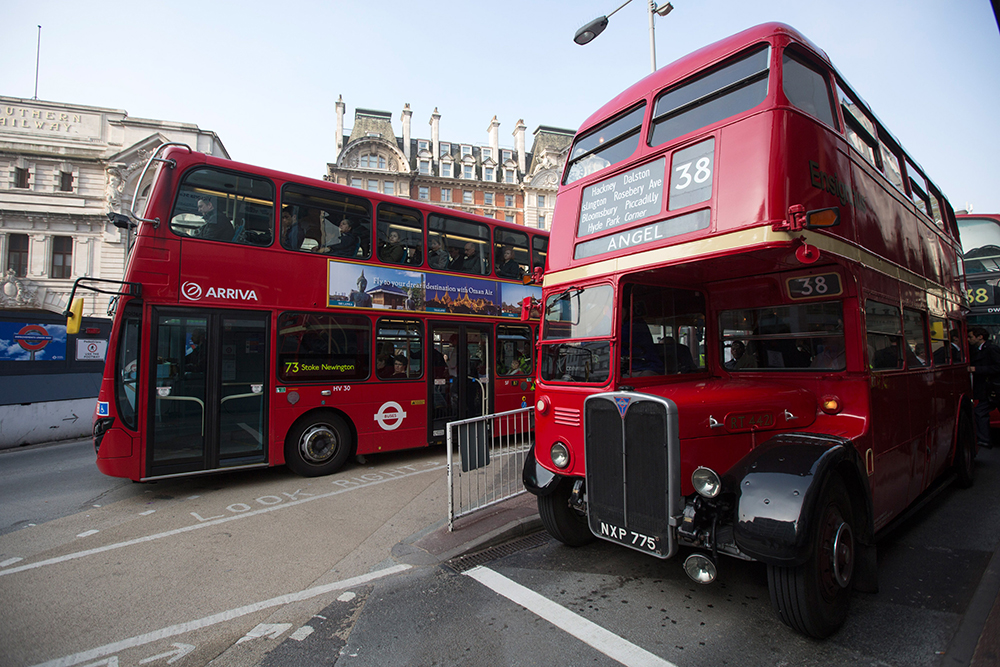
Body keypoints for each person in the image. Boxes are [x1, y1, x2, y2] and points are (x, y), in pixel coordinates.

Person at [968, 327, 1000, 449]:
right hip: (988, 390)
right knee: (980, 412)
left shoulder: (992, 349)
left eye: (971, 337)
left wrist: (977, 369)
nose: (968, 339)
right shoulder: (979, 350)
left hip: (995, 388)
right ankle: (984, 439)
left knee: (980, 411)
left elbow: (998, 367)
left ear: (980, 337)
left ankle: (985, 439)